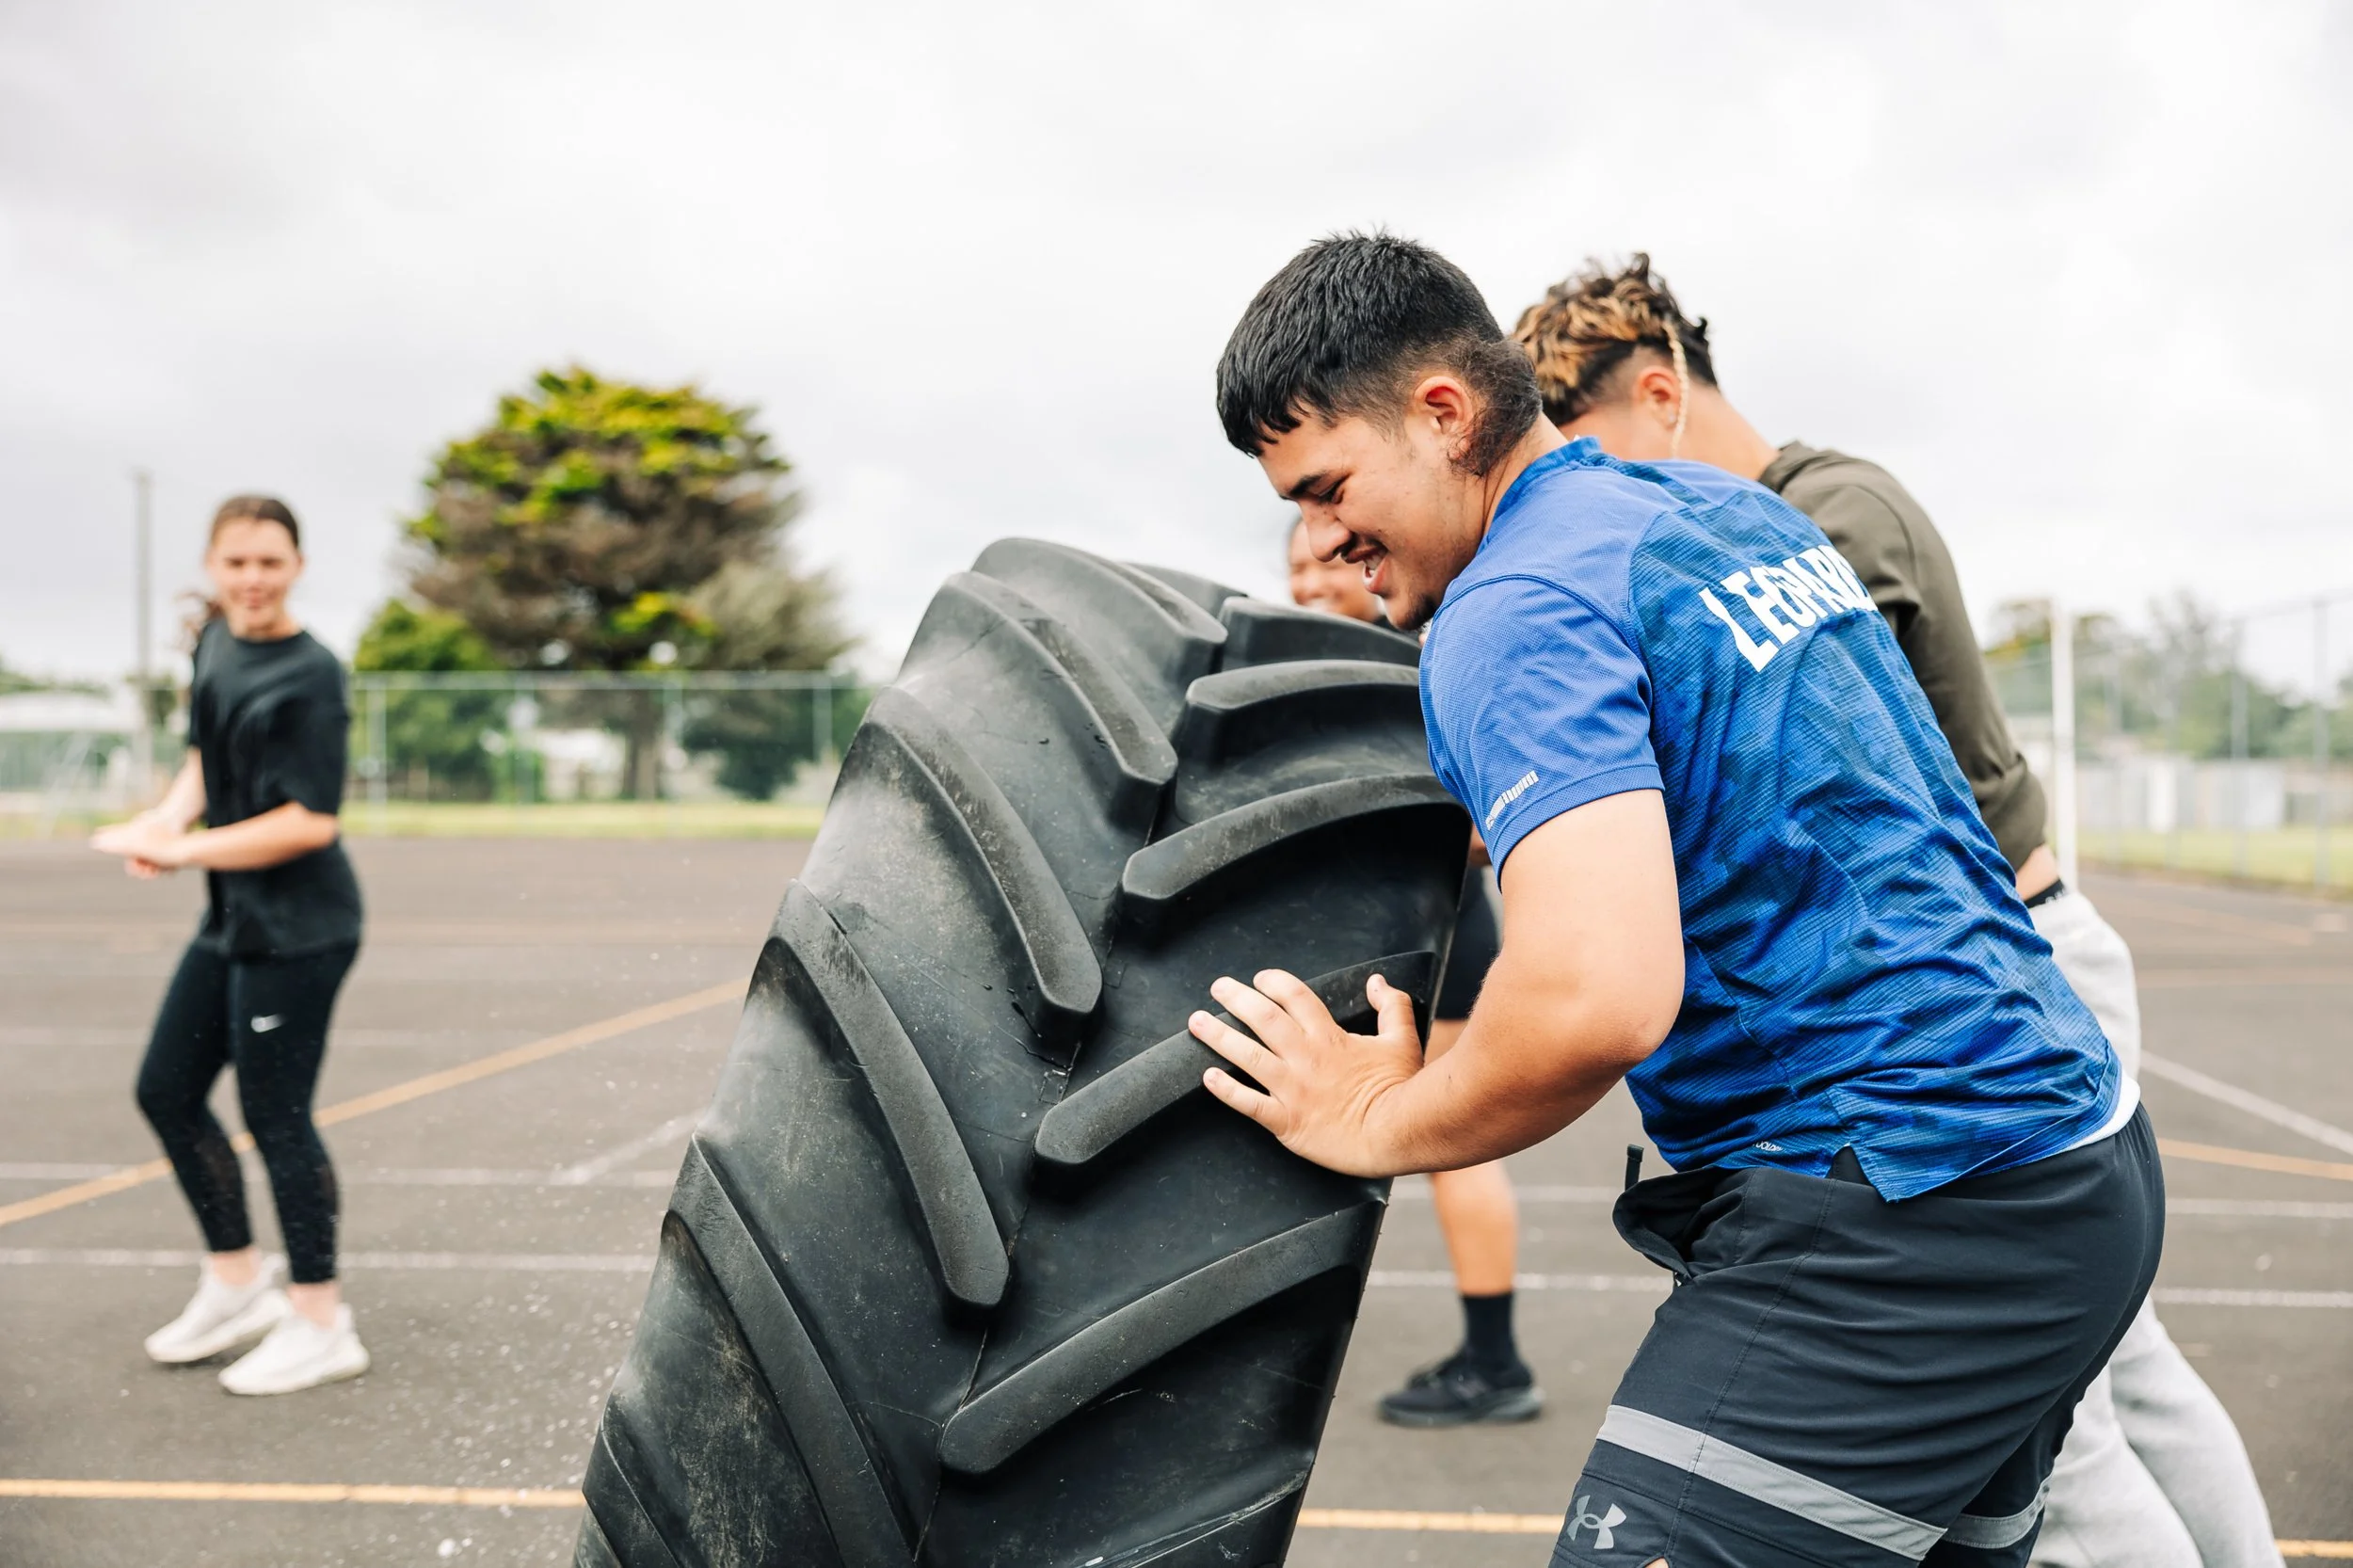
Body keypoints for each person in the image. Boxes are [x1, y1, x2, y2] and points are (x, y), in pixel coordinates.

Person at [1201, 232, 2159, 1568]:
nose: (1318, 538)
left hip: (1904, 1215)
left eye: (1327, 487)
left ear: (1441, 411)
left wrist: (1382, 1115)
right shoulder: (1730, 513)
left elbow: (1597, 995)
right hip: (2078, 1155)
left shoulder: (1511, 607)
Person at [1512, 255, 2281, 1568]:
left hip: (1993, 999)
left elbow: (1809, 803)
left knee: (2076, 1431)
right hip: (2001, 988)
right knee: (2121, 1375)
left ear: (1660, 389)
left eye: (1575, 445)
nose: (1567, 493)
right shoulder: (1761, 521)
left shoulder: (1826, 515)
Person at [92, 494, 370, 1397]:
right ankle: (240, 1281)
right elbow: (207, 760)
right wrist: (163, 820)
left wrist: (182, 850)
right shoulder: (214, 642)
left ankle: (324, 1321)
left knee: (277, 1116)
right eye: (237, 562)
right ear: (214, 565)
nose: (252, 580)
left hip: (303, 929)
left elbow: (310, 821)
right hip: (235, 917)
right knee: (167, 1089)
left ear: (297, 566)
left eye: (270, 563)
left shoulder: (313, 673)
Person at [1287, 517, 1537, 1426]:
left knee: (1449, 1148)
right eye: (1294, 572)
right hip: (1375, 943)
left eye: (1325, 566)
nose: (1309, 583)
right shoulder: (1319, 678)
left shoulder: (1427, 663)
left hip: (1442, 937)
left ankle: (1496, 1363)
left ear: (1370, 564)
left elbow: (1485, 820)